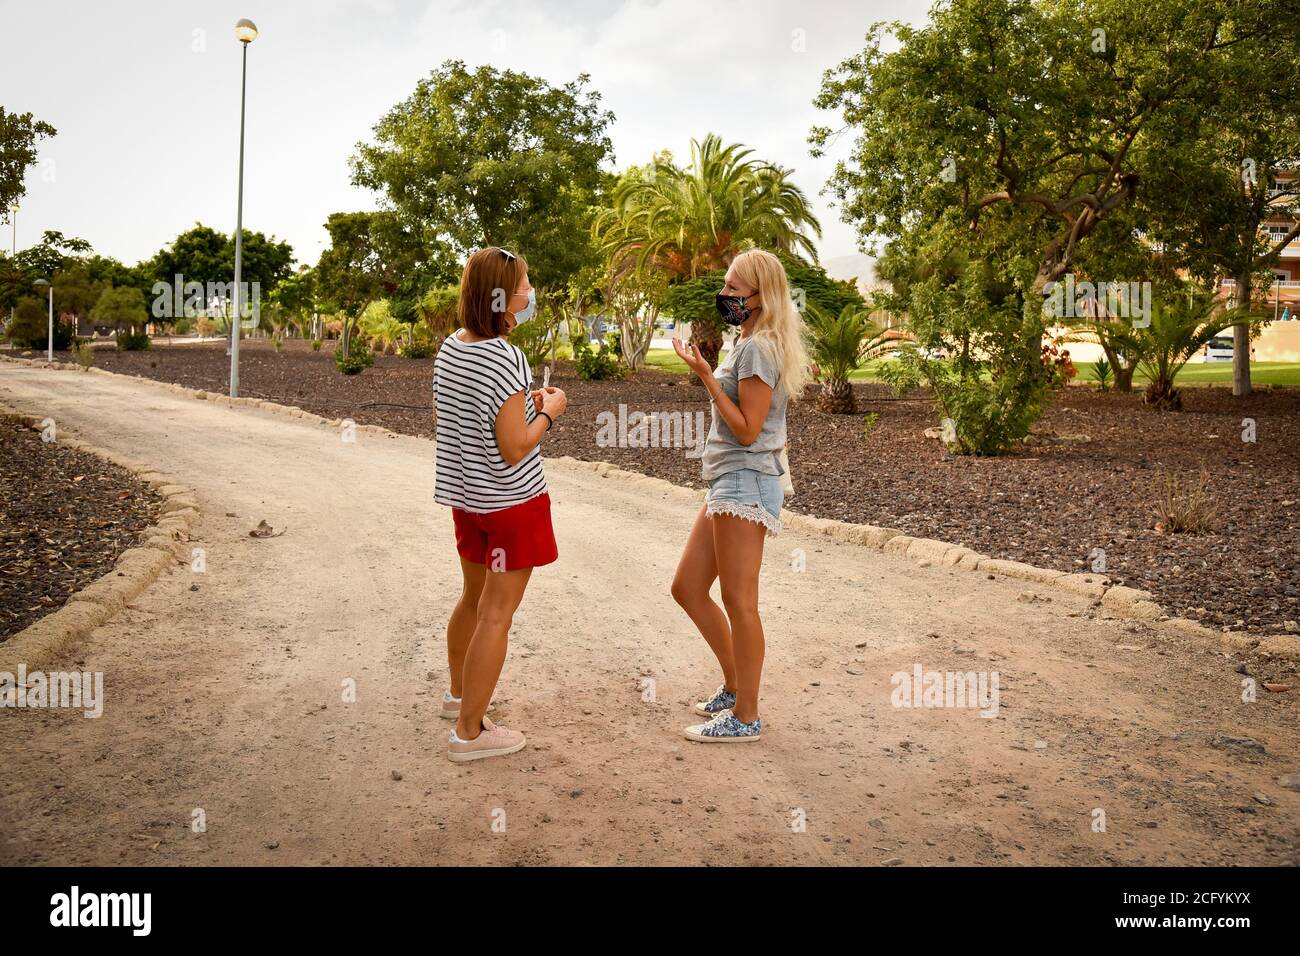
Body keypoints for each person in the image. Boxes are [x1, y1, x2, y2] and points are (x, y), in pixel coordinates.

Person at [432, 246, 567, 762]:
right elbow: (514, 447)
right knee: (496, 615)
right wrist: (549, 412)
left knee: (472, 601)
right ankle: (470, 733)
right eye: (525, 284)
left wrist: (519, 408)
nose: (530, 292)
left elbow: (472, 418)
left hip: (468, 501)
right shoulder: (507, 356)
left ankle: (458, 697)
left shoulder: (452, 347)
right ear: (501, 296)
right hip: (512, 504)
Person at [669, 249, 810, 743]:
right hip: (729, 481)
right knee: (687, 586)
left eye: (734, 289)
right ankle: (735, 687)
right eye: (726, 286)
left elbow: (749, 430)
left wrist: (707, 377)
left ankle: (746, 716)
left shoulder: (757, 348)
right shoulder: (747, 339)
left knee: (739, 602)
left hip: (745, 480)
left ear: (758, 297)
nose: (725, 295)